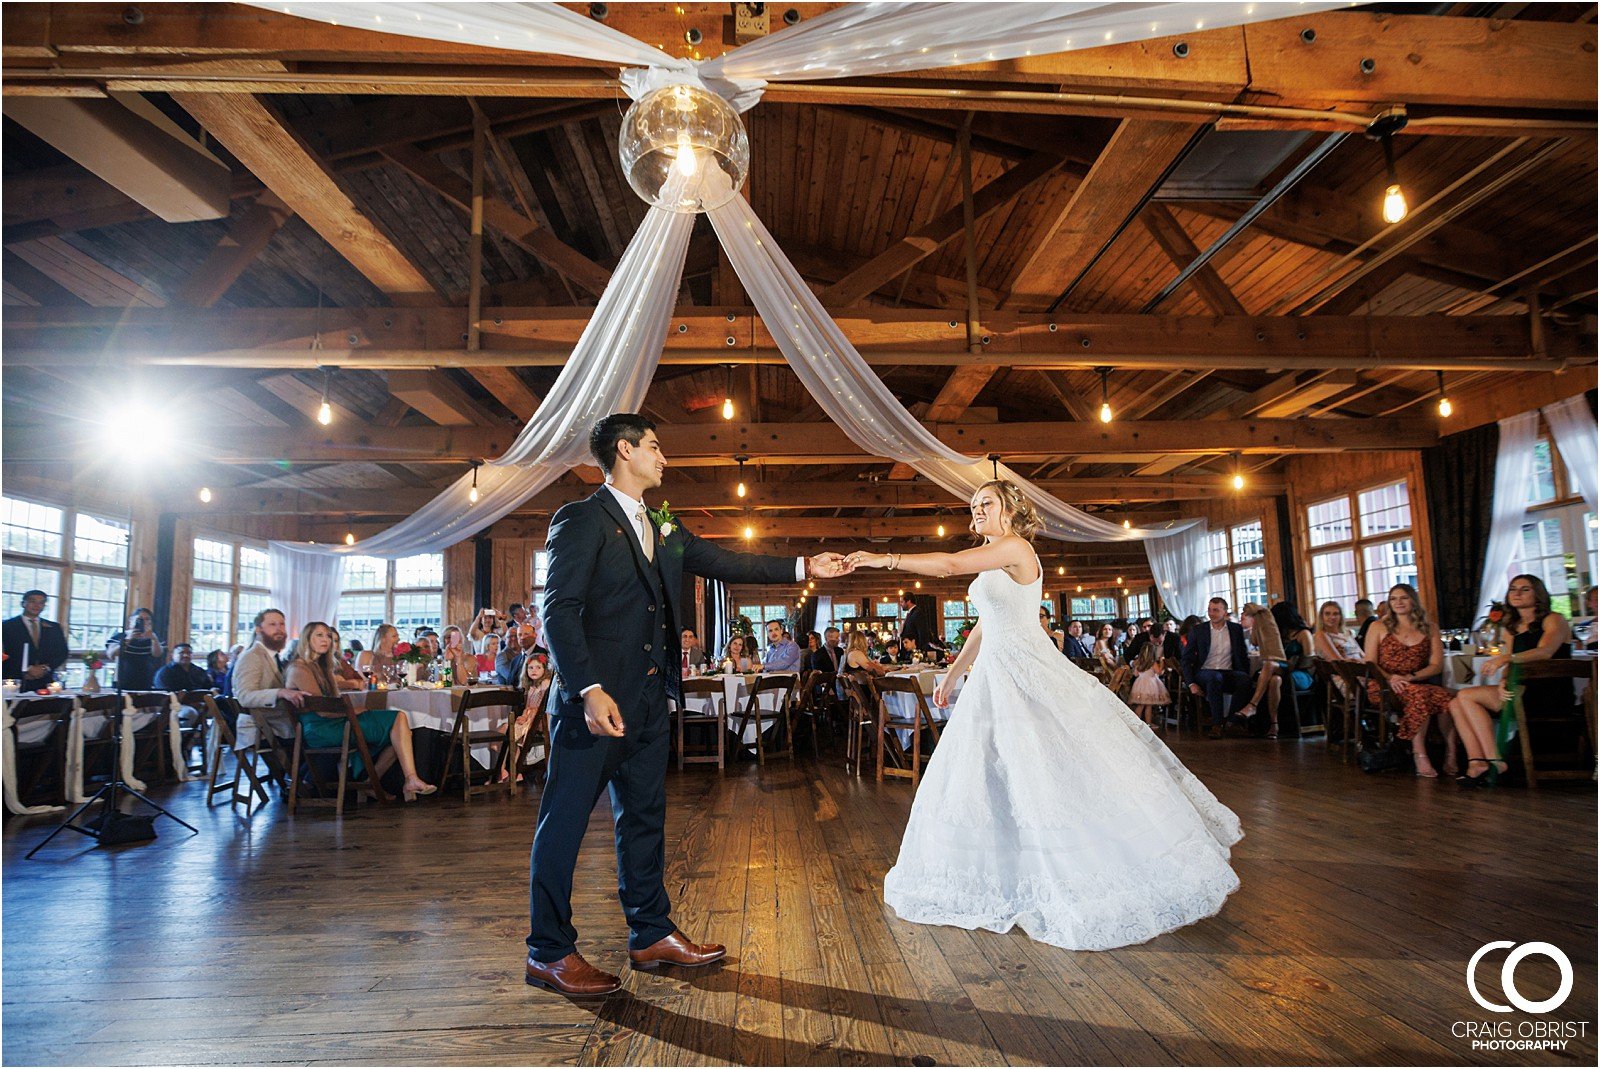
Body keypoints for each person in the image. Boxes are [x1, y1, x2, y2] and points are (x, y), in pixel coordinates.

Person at [525, 413, 849, 996]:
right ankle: (548, 950)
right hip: (592, 708)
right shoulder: (580, 518)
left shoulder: (664, 526)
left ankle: (650, 932)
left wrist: (804, 566)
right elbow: (558, 611)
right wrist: (588, 688)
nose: (664, 456)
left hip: (650, 703)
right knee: (564, 824)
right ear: (624, 451)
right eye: (654, 446)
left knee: (645, 819)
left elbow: (729, 561)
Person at [845, 479, 1239, 951]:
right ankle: (1010, 868)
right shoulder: (994, 554)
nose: (976, 511)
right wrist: (953, 674)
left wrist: (881, 558)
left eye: (985, 503)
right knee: (992, 773)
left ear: (1009, 508)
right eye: (972, 506)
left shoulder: (1015, 547)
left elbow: (949, 564)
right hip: (994, 673)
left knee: (1043, 769)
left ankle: (1074, 867)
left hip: (1024, 670)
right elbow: (985, 626)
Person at [283, 621, 436, 800]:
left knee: (401, 731)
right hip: (320, 729)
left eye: (328, 636)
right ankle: (403, 780)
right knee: (398, 724)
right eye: (319, 635)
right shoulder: (300, 668)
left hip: (336, 722)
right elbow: (323, 709)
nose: (326, 639)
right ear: (306, 639)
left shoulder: (323, 667)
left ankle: (383, 781)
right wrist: (353, 711)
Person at [1448, 575, 1573, 788]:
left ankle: (1495, 761)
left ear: (1538, 594)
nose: (1516, 593)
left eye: (1525, 589)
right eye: (1513, 589)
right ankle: (1477, 761)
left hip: (1548, 691)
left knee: (1466, 695)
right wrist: (1504, 680)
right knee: (1454, 702)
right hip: (1521, 688)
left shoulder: (1553, 619)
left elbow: (1545, 651)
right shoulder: (1512, 626)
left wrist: (1508, 657)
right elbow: (1509, 667)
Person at [1364, 584, 1456, 779]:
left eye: (1403, 598)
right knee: (1420, 696)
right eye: (1393, 599)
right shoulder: (1378, 626)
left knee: (1448, 698)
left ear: (1413, 600)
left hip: (1415, 681)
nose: (1398, 602)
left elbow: (1436, 665)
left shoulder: (1430, 628)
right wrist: (1391, 679)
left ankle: (1451, 752)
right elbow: (1370, 662)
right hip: (1382, 684)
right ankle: (1419, 753)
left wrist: (1409, 678)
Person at [233, 609, 311, 750]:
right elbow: (244, 696)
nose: (279, 629)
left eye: (281, 624)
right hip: (265, 728)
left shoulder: (274, 656)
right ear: (258, 630)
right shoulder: (252, 657)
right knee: (319, 739)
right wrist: (280, 692)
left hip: (282, 722)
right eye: (272, 625)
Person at [1180, 598, 1253, 740]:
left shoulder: (1235, 629)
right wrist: (1191, 683)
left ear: (1225, 612)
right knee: (1215, 677)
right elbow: (1186, 658)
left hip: (1228, 671)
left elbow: (1242, 655)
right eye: (1209, 610)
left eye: (1215, 610)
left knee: (1245, 679)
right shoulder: (1199, 630)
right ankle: (1217, 724)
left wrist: (1244, 671)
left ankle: (1232, 721)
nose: (1211, 613)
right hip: (1205, 671)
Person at [2, 589, 69, 687]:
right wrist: (28, 668)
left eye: (41, 603)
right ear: (23, 603)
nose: (37, 605)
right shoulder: (6, 626)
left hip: (46, 681)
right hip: (14, 680)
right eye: (32, 601)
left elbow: (62, 652)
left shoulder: (54, 627)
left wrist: (45, 668)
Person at [1237, 603, 1285, 739]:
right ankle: (1273, 724)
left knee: (1268, 664)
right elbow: (1254, 642)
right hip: (1275, 671)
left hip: (1289, 666)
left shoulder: (1299, 633)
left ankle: (1252, 705)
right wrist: (1255, 624)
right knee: (1275, 681)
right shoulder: (1265, 627)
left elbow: (1307, 659)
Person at [508, 652, 554, 784]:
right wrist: (523, 716)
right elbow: (527, 708)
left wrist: (527, 717)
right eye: (531, 667)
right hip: (529, 718)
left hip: (540, 721)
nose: (534, 670)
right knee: (505, 731)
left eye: (538, 667)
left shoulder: (545, 683)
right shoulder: (531, 687)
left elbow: (542, 708)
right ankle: (507, 770)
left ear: (545, 670)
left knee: (511, 733)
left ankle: (514, 772)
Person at [1313, 601, 1364, 701]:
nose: (1332, 617)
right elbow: (1338, 662)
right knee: (1388, 687)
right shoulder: (1321, 635)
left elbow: (1363, 654)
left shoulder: (1347, 633)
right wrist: (1359, 662)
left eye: (1336, 614)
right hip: (1347, 680)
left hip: (1362, 672)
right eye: (1327, 614)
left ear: (1341, 616)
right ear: (1321, 617)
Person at [106, 608, 164, 691]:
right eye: (139, 619)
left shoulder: (154, 638)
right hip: (122, 681)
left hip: (146, 682)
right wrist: (128, 639)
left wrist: (154, 639)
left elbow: (157, 654)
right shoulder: (120, 636)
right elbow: (111, 654)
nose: (143, 622)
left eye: (147, 619)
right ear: (131, 620)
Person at [1128, 643, 1170, 729]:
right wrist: (1162, 662)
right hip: (1151, 684)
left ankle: (1135, 722)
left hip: (1139, 684)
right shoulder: (1152, 663)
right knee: (1148, 705)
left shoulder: (1138, 662)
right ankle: (1147, 723)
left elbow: (1135, 674)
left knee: (1141, 705)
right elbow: (1159, 672)